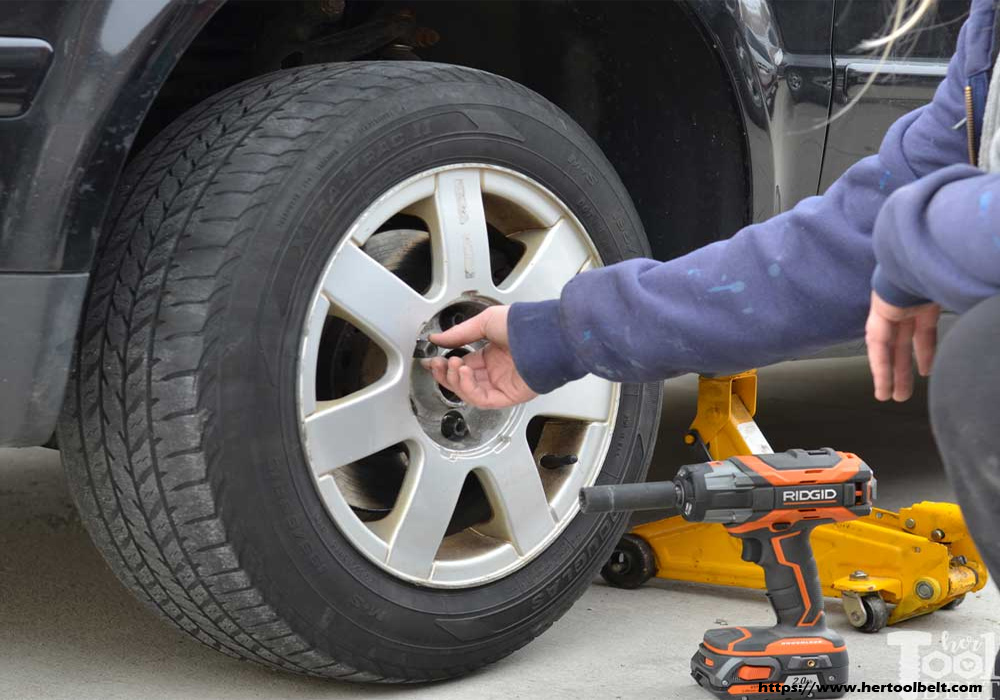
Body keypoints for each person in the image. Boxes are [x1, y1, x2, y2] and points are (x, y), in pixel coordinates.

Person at [424, 0, 999, 694]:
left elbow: (894, 224)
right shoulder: (987, 40)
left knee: (984, 367)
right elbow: (832, 253)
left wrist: (912, 230)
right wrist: (558, 334)